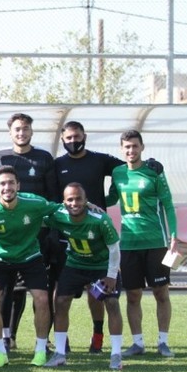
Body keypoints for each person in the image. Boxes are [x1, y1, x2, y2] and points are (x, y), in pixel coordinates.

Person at [0, 165, 61, 368]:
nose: (7, 187)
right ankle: (0, 352)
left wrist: (87, 205)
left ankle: (40, 350)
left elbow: (59, 209)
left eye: (11, 182)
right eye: (3, 183)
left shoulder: (35, 203)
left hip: (30, 255)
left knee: (42, 298)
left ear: (18, 185)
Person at [53, 121, 124, 354]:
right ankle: (62, 343)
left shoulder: (99, 160)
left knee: (97, 294)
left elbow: (126, 169)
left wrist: (111, 198)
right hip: (68, 239)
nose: (73, 141)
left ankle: (98, 334)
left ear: (85, 136)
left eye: (77, 137)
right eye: (69, 138)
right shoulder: (57, 164)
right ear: (63, 140)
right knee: (61, 293)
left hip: (97, 238)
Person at [107, 130, 178, 358]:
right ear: (122, 149)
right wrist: (87, 201)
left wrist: (173, 236)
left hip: (156, 242)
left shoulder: (154, 171)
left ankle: (163, 342)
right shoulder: (117, 173)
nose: (131, 150)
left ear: (142, 147)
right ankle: (137, 343)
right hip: (129, 244)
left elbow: (168, 205)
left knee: (161, 293)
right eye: (127, 147)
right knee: (133, 295)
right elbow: (111, 199)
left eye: (135, 146)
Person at [0, 113, 57, 351]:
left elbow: (52, 196)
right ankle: (9, 337)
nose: (21, 133)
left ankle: (44, 339)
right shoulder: (0, 158)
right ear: (10, 132)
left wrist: (50, 231)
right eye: (17, 129)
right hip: (7, 236)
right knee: (10, 290)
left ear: (31, 131)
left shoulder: (43, 158)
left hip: (37, 235)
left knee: (40, 290)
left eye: (25, 128)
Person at [43, 184, 124, 370]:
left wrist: (111, 276)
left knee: (111, 303)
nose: (74, 203)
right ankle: (60, 353)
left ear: (86, 201)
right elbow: (39, 216)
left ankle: (116, 354)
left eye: (78, 199)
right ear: (64, 202)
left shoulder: (100, 220)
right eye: (70, 199)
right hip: (76, 264)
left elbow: (114, 248)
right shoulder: (59, 215)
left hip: (102, 266)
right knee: (60, 301)